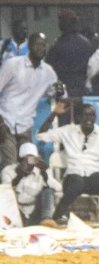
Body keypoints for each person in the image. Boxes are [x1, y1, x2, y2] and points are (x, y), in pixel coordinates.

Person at [36, 103, 99, 226]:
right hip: (74, 178)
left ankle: (57, 216)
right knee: (76, 181)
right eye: (85, 115)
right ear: (79, 117)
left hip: (96, 180)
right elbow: (41, 135)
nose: (89, 119)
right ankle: (58, 217)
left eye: (92, 115)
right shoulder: (68, 131)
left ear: (95, 117)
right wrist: (54, 113)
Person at [0, 33, 61, 170]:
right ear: (29, 46)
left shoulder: (48, 71)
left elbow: (58, 93)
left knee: (28, 166)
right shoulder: (12, 64)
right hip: (6, 122)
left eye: (44, 45)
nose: (41, 48)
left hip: (26, 126)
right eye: (37, 45)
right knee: (10, 166)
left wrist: (60, 91)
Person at [1, 142, 61, 227]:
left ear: (36, 160)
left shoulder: (40, 171)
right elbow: (6, 193)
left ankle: (47, 219)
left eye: (32, 159)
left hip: (35, 210)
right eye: (25, 159)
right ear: (19, 160)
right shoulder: (8, 171)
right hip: (17, 211)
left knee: (48, 190)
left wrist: (44, 175)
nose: (29, 162)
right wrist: (19, 176)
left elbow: (58, 188)